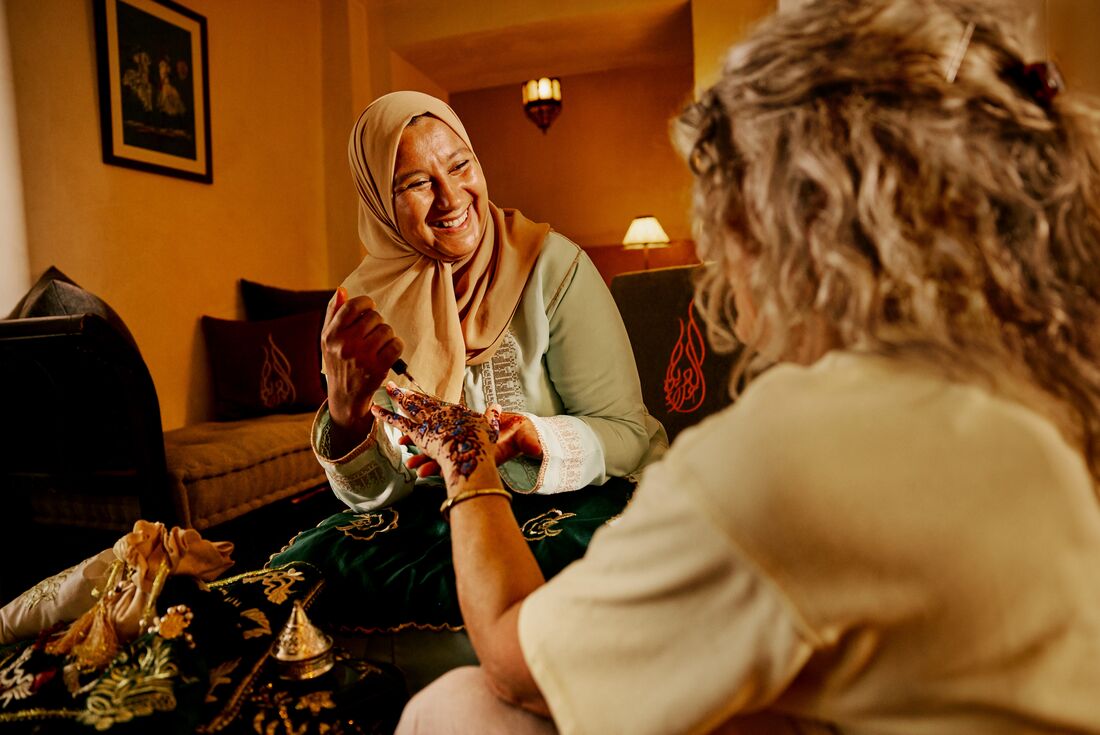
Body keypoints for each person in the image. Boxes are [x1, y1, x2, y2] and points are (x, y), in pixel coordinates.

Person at [380, 0, 1100, 732]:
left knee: (458, 704)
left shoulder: (779, 455)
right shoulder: (1017, 382)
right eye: (413, 182)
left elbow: (510, 658)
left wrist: (467, 450)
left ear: (776, 223)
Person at [269, 91, 666, 678]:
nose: (452, 198)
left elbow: (628, 434)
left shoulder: (552, 267)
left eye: (460, 166)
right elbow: (378, 498)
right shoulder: (361, 312)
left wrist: (535, 438)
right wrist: (347, 413)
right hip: (437, 512)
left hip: (569, 497)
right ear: (379, 200)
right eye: (415, 183)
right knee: (295, 583)